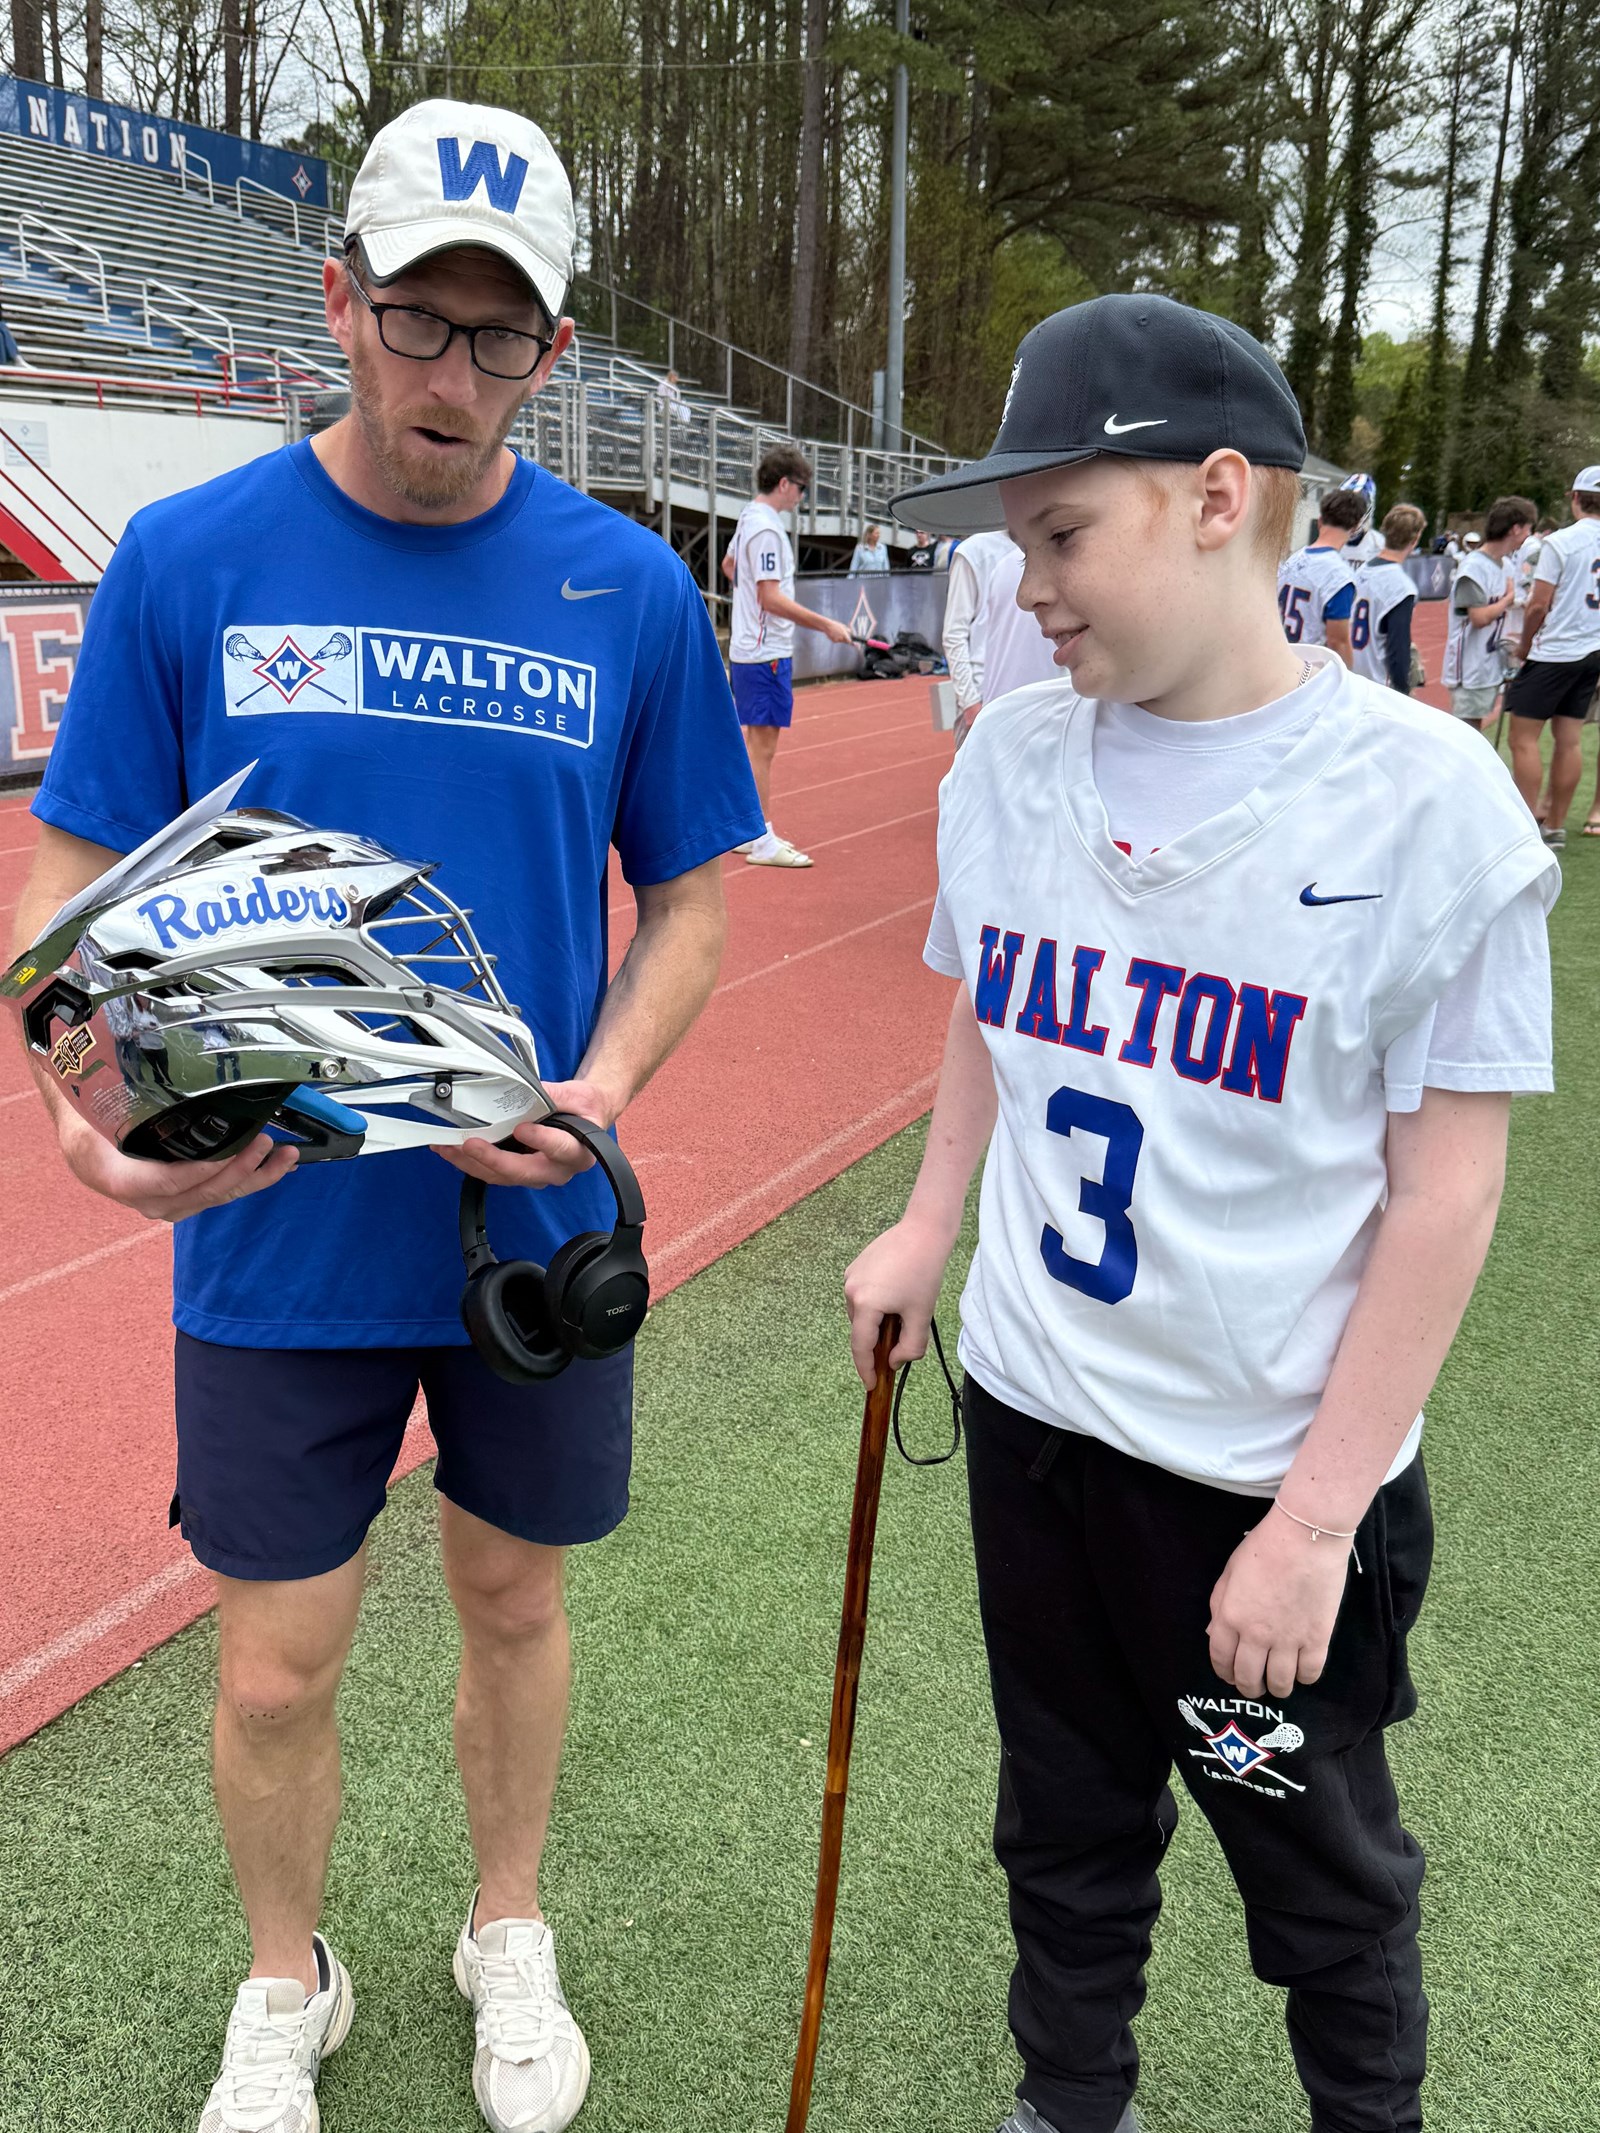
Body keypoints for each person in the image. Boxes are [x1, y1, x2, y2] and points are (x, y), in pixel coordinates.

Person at [7, 99, 765, 2133]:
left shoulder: (627, 587)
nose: (450, 377)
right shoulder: (189, 560)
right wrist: (93, 1116)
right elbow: (62, 881)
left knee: (514, 1593)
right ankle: (289, 1977)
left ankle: (501, 1927)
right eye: (416, 321)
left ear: (558, 351)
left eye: (496, 337)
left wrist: (603, 1086)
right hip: (273, 1224)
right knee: (272, 1662)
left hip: (527, 1214)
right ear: (333, 304)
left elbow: (689, 891)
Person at [844, 292, 1556, 2133]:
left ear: (1219, 494)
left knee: (1318, 1871)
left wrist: (1316, 1518)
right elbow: (988, 1000)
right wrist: (933, 1223)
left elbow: (1449, 1190)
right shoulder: (1009, 757)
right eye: (1018, 548)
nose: (1031, 588)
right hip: (1036, 1419)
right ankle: (1071, 2104)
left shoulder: (1429, 799)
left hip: (1257, 1476)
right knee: (1064, 1816)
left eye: (1063, 534)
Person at [727, 443, 855, 867]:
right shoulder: (765, 528)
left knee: (752, 745)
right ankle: (762, 839)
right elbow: (769, 596)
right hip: (766, 653)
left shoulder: (748, 519)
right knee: (762, 748)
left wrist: (747, 603)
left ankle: (747, 829)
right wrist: (826, 625)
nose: (802, 497)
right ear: (783, 483)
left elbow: (731, 567)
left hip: (751, 649)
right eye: (800, 488)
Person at [1504, 465, 1600, 847]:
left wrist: (1526, 646)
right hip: (1593, 649)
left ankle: (1525, 826)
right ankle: (1555, 825)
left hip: (1556, 651)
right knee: (1570, 739)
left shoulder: (1560, 542)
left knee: (1523, 739)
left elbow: (1537, 606)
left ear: (1575, 499)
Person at [1441, 495, 1536, 733]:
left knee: (1477, 733)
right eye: (1527, 529)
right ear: (1515, 529)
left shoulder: (1504, 564)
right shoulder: (1474, 567)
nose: (1528, 536)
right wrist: (1507, 600)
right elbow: (1479, 617)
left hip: (1488, 663)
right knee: (1466, 734)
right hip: (1469, 665)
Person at [942, 528, 1015, 746]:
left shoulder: (1045, 544)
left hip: (1031, 695)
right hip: (983, 693)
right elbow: (954, 633)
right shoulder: (973, 552)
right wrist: (970, 701)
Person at [1276, 488, 1363, 663]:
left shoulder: (1294, 559)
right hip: (1311, 669)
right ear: (1354, 528)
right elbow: (1337, 641)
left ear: (1320, 521)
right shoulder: (1339, 575)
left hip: (1280, 657)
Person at [1350, 502, 1424, 692]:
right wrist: (1402, 691)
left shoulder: (1361, 570)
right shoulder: (1402, 586)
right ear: (1414, 539)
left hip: (1351, 675)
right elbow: (1397, 649)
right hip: (1378, 685)